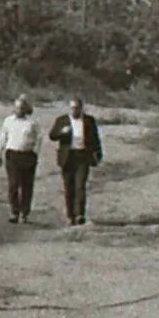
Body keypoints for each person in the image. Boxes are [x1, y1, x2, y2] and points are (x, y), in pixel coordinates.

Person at [47, 96, 105, 226]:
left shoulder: (89, 121)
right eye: (72, 108)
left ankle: (80, 215)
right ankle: (70, 215)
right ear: (69, 108)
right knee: (69, 187)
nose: (74, 110)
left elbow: (96, 139)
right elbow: (52, 136)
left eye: (77, 108)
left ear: (81, 108)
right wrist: (62, 132)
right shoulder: (62, 120)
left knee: (80, 187)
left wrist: (98, 155)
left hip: (83, 156)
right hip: (67, 157)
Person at [0, 96, 41, 222]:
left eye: (21, 108)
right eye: (17, 107)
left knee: (27, 186)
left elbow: (39, 139)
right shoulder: (8, 121)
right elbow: (2, 137)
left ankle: (24, 213)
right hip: (12, 155)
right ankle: (14, 212)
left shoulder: (32, 123)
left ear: (26, 109)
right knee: (13, 184)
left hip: (28, 155)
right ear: (14, 109)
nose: (19, 110)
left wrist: (35, 153)